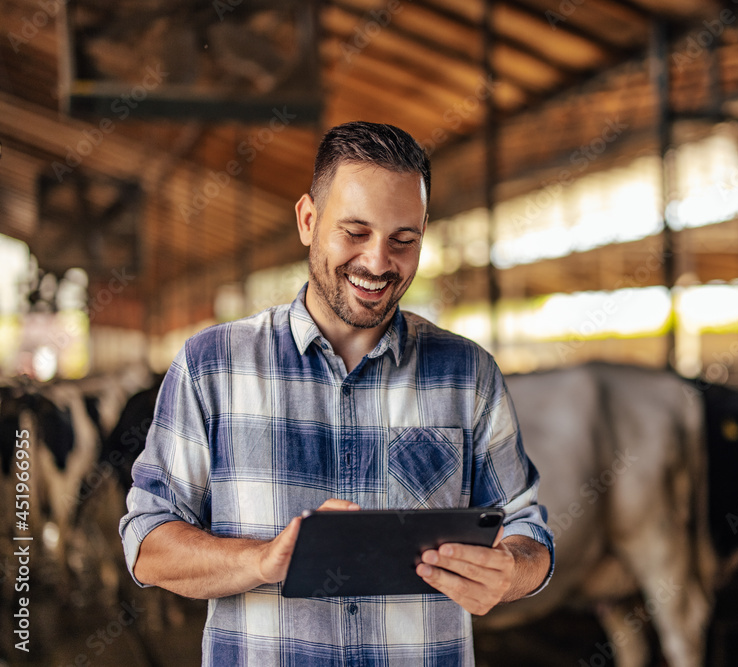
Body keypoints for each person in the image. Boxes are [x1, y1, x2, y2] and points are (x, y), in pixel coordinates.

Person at [120, 121, 553, 665]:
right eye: (355, 232)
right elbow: (147, 540)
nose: (377, 263)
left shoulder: (468, 375)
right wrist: (263, 561)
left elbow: (529, 531)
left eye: (403, 240)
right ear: (308, 220)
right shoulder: (213, 367)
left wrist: (511, 571)